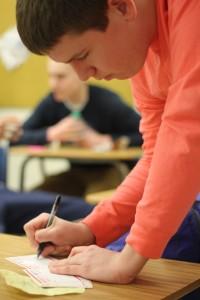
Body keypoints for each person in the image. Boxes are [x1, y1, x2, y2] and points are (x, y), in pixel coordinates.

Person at [16, 0, 200, 291]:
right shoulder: (142, 50)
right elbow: (157, 155)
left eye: (83, 55)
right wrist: (89, 229)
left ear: (123, 8)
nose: (83, 75)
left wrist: (127, 259)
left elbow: (189, 135)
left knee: (175, 239)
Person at [13, 60, 142, 196]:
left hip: (112, 171)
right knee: (33, 199)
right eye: (50, 76)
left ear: (82, 77)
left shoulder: (107, 102)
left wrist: (108, 141)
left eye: (60, 77)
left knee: (94, 205)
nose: (53, 84)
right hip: (76, 173)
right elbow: (16, 138)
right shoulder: (51, 103)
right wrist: (50, 134)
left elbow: (146, 134)